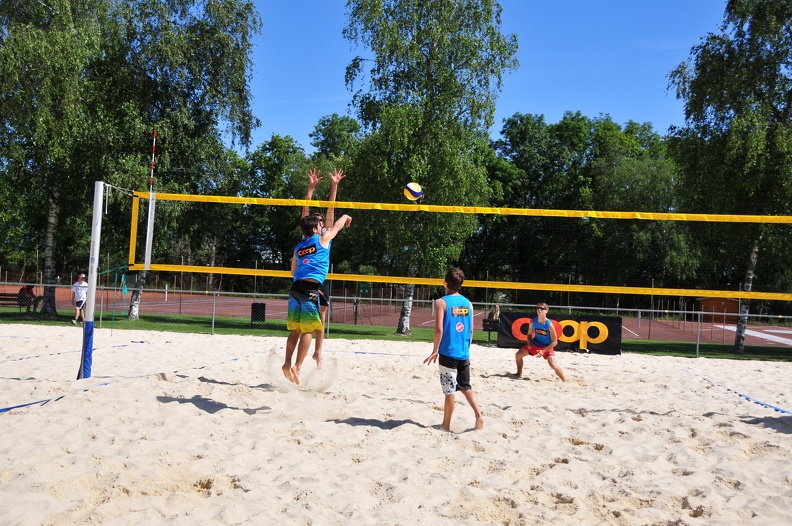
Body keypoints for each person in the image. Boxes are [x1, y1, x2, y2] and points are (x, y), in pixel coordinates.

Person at [283, 211, 352, 385]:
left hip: (295, 288)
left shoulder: (298, 247)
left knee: (295, 330)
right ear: (314, 229)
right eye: (320, 225)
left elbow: (292, 271)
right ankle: (297, 367)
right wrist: (346, 217)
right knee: (308, 330)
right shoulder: (322, 239)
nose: (323, 227)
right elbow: (337, 226)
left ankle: (286, 363)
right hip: (310, 289)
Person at [423, 268, 484, 432]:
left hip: (448, 353)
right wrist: (467, 348)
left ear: (445, 282)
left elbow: (438, 330)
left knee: (450, 391)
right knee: (466, 386)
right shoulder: (468, 303)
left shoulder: (441, 302)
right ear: (461, 284)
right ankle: (479, 415)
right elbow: (471, 330)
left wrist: (435, 350)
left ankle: (446, 425)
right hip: (463, 352)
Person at [301, 167, 345, 369]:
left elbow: (331, 210)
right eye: (317, 220)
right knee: (308, 319)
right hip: (307, 278)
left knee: (322, 314)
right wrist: (310, 189)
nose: (321, 221)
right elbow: (305, 211)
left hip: (321, 278)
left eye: (321, 220)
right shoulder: (308, 237)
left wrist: (334, 186)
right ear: (313, 226)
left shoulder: (325, 235)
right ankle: (302, 357)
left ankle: (318, 352)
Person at [515, 302, 566, 381]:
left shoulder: (549, 325)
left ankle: (564, 380)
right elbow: (529, 334)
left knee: (552, 364)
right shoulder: (533, 322)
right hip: (535, 344)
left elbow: (555, 342)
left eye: (542, 308)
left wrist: (543, 351)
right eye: (538, 308)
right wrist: (529, 343)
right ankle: (519, 373)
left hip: (547, 346)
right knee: (518, 355)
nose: (539, 310)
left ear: (546, 311)